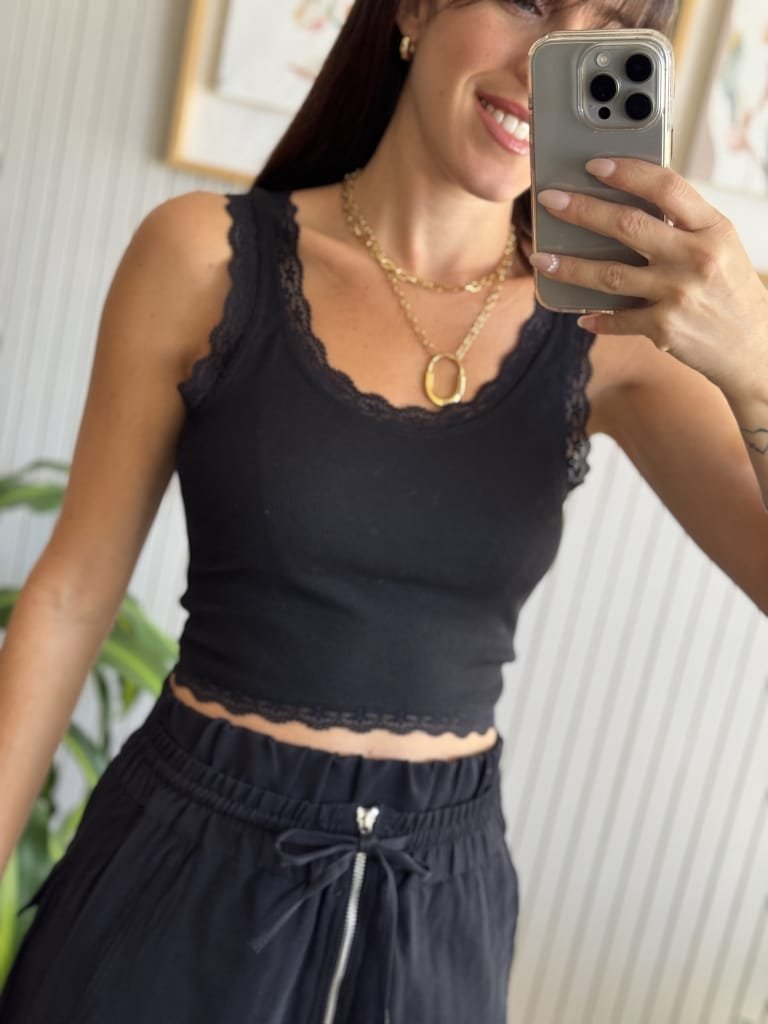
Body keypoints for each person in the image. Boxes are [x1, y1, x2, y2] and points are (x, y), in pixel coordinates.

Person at [1, 0, 767, 1021]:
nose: (548, 60)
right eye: (526, 1)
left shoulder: (611, 334)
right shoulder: (202, 259)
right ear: (415, 7)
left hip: (438, 916)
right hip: (179, 880)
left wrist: (756, 363)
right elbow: (71, 596)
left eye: (607, 25)